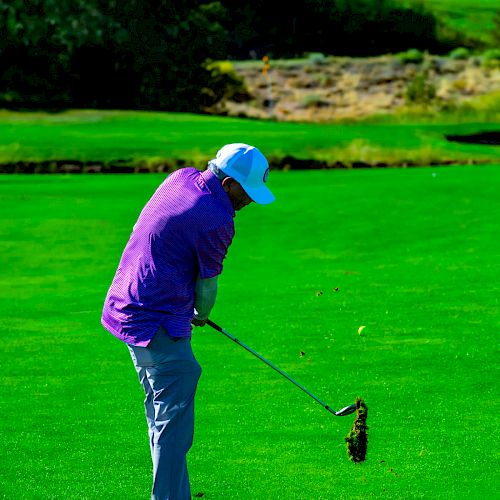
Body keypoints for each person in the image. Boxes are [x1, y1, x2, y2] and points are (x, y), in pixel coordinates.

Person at [101, 143, 274, 500]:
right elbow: (207, 286)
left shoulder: (180, 177)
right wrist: (201, 313)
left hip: (127, 306)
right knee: (173, 420)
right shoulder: (217, 219)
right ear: (228, 184)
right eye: (247, 192)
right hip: (154, 319)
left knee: (163, 412)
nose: (250, 201)